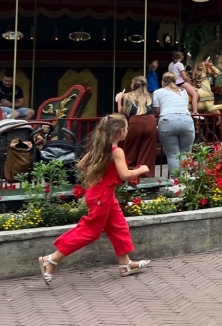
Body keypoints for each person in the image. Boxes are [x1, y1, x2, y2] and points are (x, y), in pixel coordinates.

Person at [38, 114, 151, 285]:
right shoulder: (116, 151)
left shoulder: (101, 148)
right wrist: (142, 169)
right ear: (121, 131)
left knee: (119, 226)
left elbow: (81, 165)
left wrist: (99, 175)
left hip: (101, 193)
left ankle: (125, 264)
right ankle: (51, 259)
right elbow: (125, 175)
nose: (127, 130)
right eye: (127, 128)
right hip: (102, 196)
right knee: (90, 231)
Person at [153, 72, 196, 176]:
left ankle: (176, 181)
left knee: (172, 155)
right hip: (186, 119)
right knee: (186, 153)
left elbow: (157, 111)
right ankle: (186, 179)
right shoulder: (183, 91)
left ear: (163, 82)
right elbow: (185, 105)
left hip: (167, 120)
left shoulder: (157, 92)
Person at [115, 76, 157, 176]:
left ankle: (129, 175)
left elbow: (122, 112)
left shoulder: (128, 96)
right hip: (151, 122)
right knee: (147, 152)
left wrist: (120, 99)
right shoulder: (150, 96)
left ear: (133, 85)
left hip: (136, 122)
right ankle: (146, 176)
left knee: (130, 150)